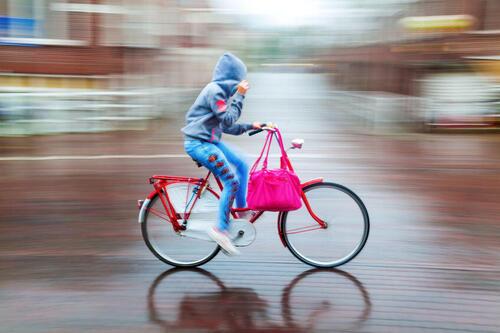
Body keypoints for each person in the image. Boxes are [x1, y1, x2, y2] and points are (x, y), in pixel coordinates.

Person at [182, 52, 260, 255]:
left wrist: (252, 126)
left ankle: (241, 210)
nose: (241, 84)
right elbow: (227, 121)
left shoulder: (221, 93)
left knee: (242, 163)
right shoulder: (215, 91)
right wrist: (240, 96)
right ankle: (220, 229)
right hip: (199, 144)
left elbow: (227, 127)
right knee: (231, 181)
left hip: (210, 141)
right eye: (239, 79)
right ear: (232, 77)